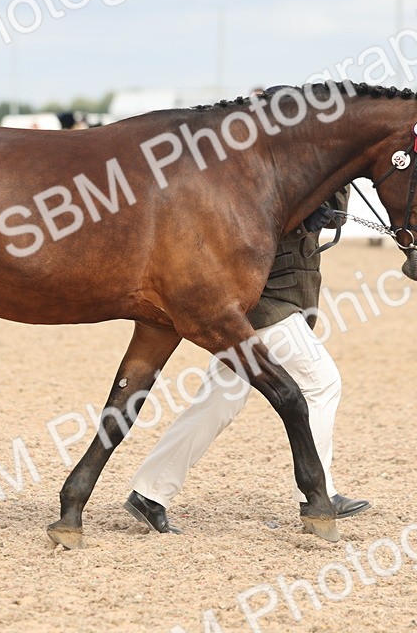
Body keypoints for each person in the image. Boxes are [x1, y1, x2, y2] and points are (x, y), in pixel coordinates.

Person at [124, 189, 370, 533]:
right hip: (269, 302)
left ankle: (150, 493)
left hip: (270, 300)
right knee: (321, 381)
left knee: (219, 400)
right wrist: (299, 220)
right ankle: (319, 493)